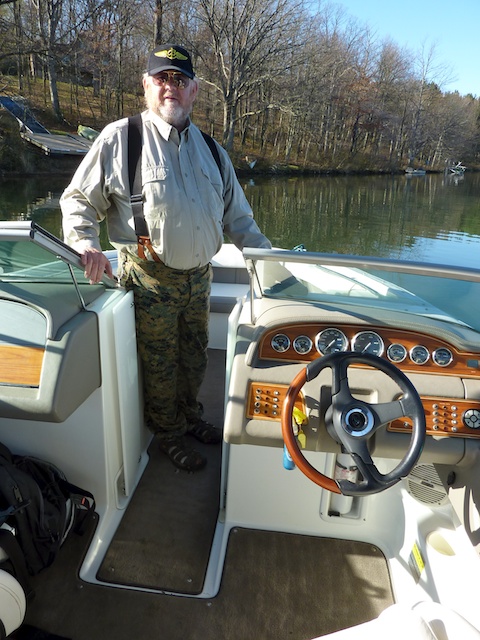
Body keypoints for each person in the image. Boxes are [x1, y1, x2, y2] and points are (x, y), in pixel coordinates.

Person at [60, 44, 271, 472]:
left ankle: (190, 418)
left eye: (179, 79)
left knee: (194, 357)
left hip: (200, 278)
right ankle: (167, 436)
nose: (170, 87)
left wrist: (273, 267)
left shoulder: (213, 151)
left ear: (194, 91)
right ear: (146, 86)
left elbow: (241, 220)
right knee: (159, 364)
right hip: (148, 278)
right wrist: (84, 242)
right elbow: (80, 200)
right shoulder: (121, 138)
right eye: (161, 78)